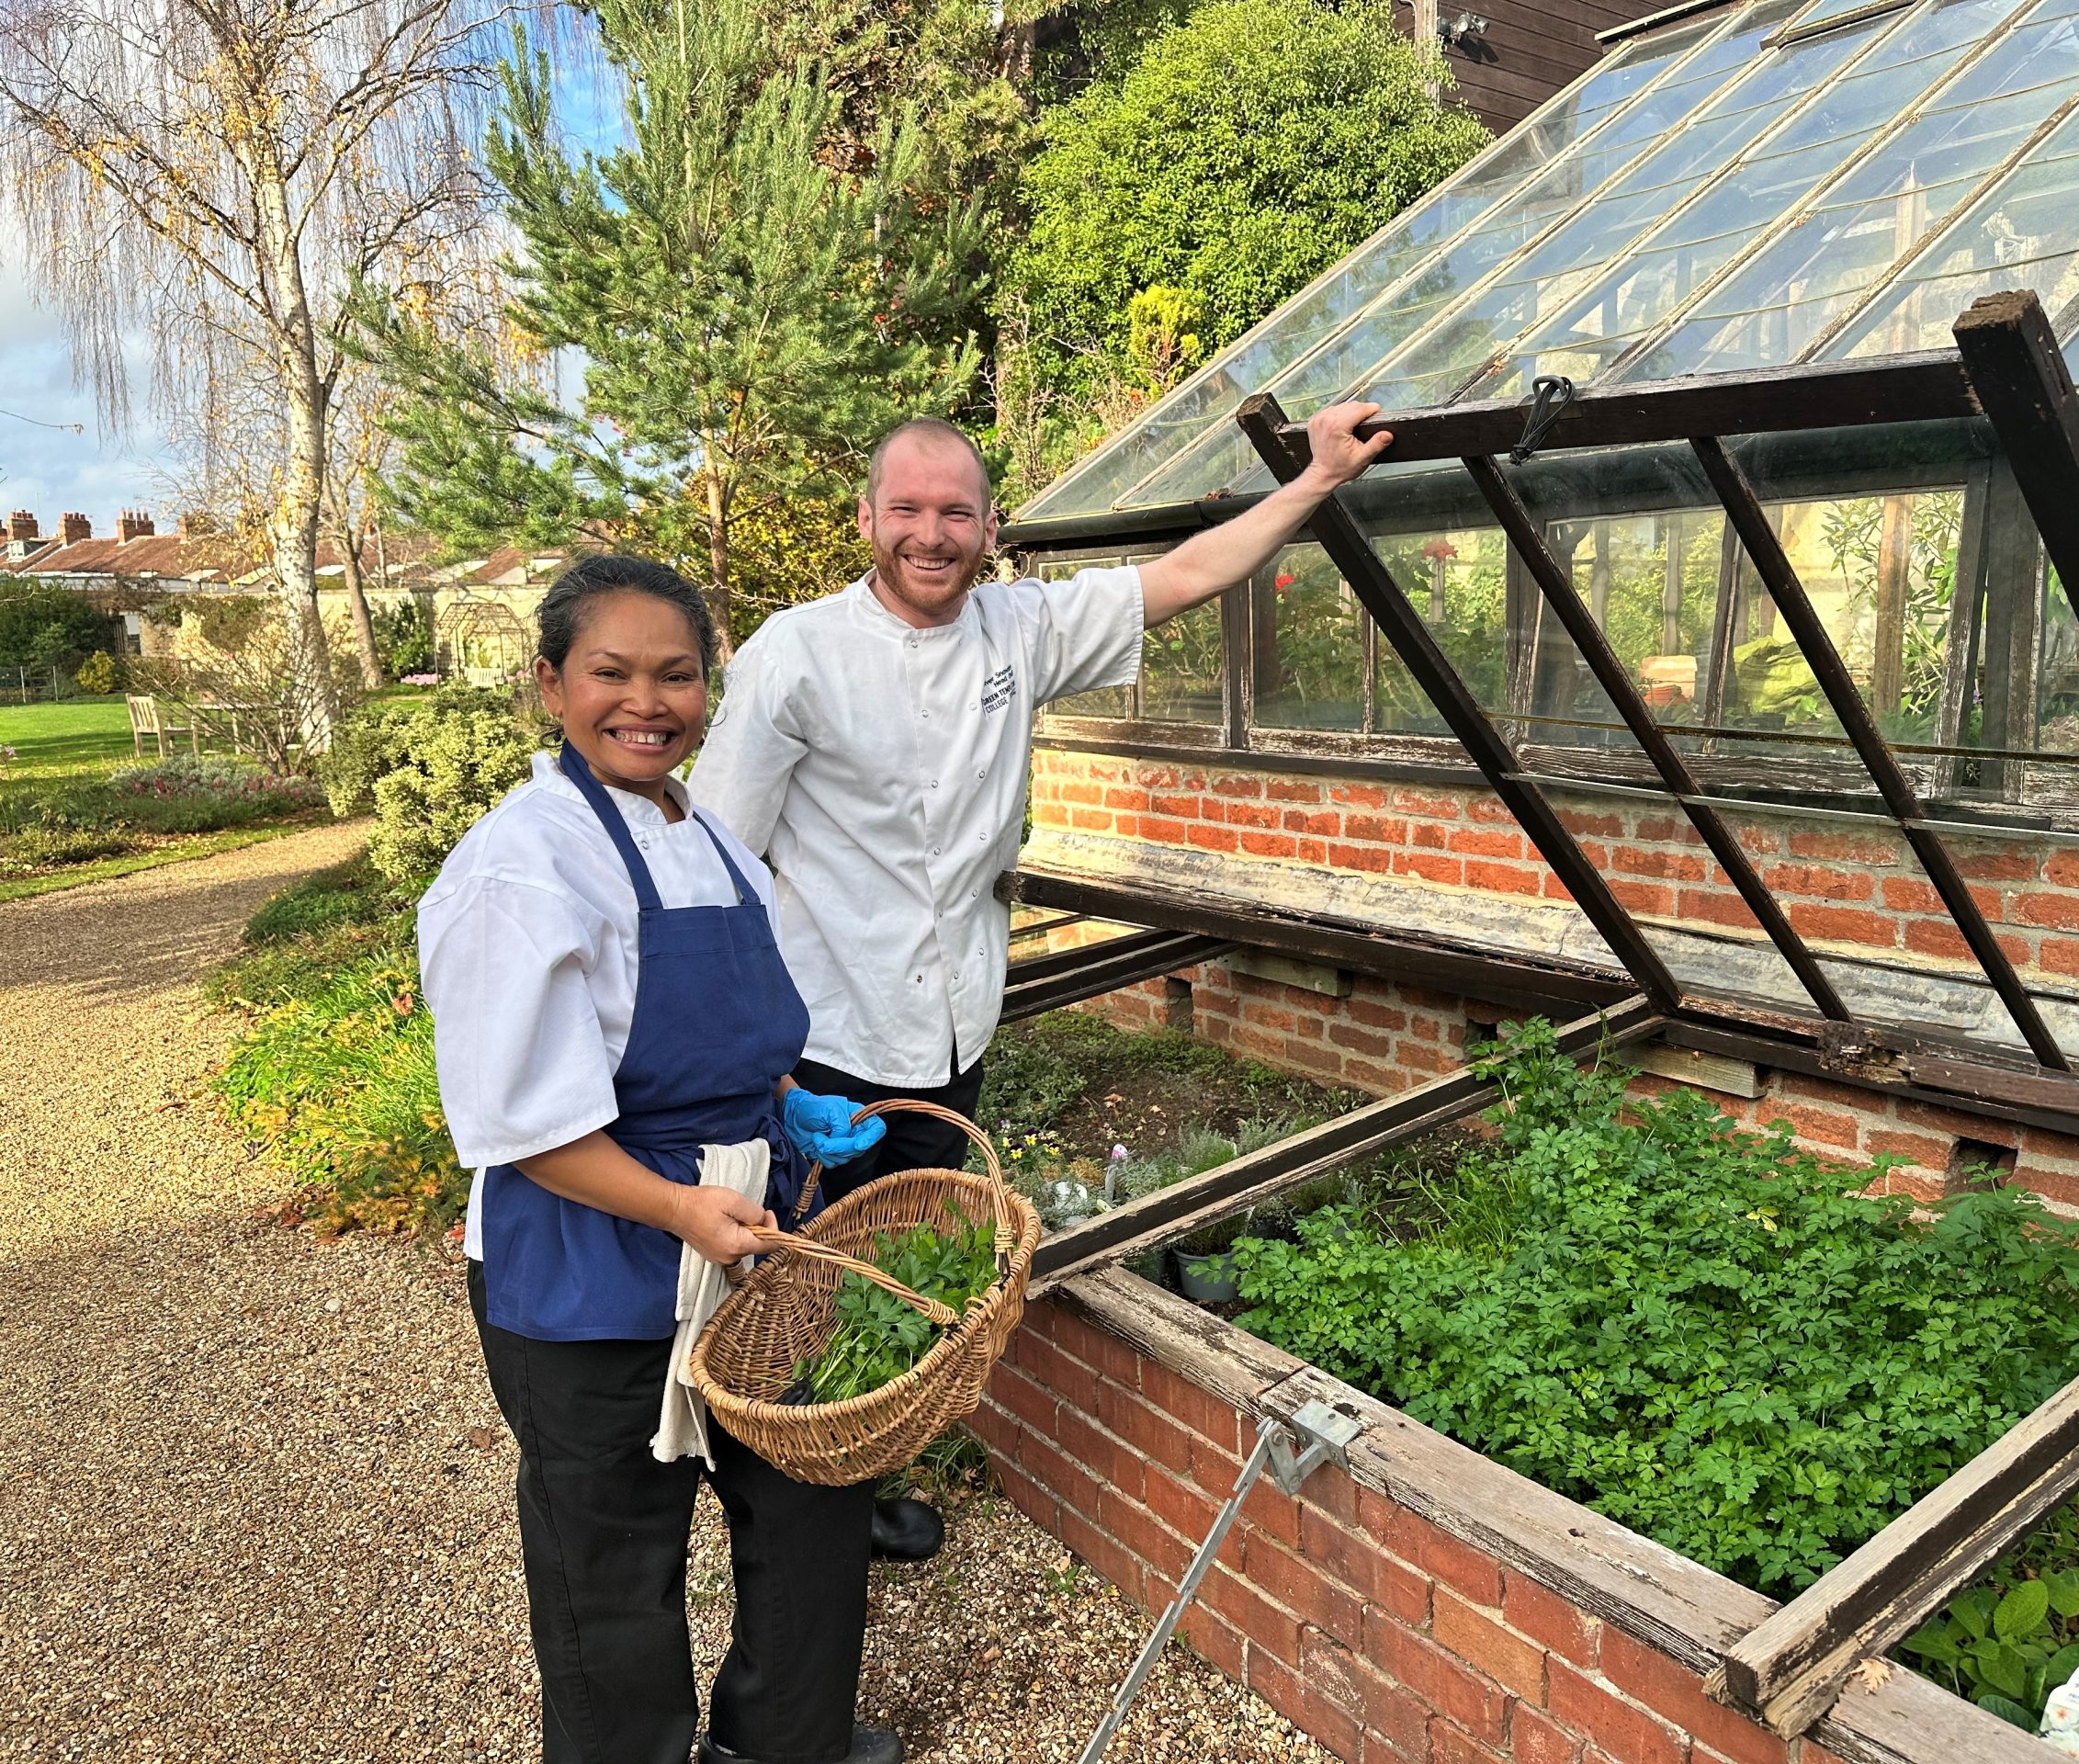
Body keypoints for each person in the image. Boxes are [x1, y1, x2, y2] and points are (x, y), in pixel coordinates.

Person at [691, 401, 1390, 1560]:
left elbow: (1185, 576)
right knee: (796, 1281)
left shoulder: (1019, 631)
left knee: (907, 1270)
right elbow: (717, 862)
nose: (930, 533)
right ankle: (789, 1518)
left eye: (954, 512)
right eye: (906, 509)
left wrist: (1313, 482)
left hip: (954, 1024)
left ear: (989, 526)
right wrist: (764, 1068)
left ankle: (858, 1478)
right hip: (825, 1038)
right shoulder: (793, 655)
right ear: (865, 517)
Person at [419, 555, 903, 1764]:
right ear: (550, 685)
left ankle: (781, 1741)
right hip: (589, 1258)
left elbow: (722, 1041)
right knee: (613, 1559)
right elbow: (519, 1125)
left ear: (708, 686)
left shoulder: (716, 843)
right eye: (611, 673)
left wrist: (791, 1108)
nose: (648, 702)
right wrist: (683, 1206)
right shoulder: (521, 863)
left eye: (677, 674)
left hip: (742, 1237)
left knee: (811, 1500)